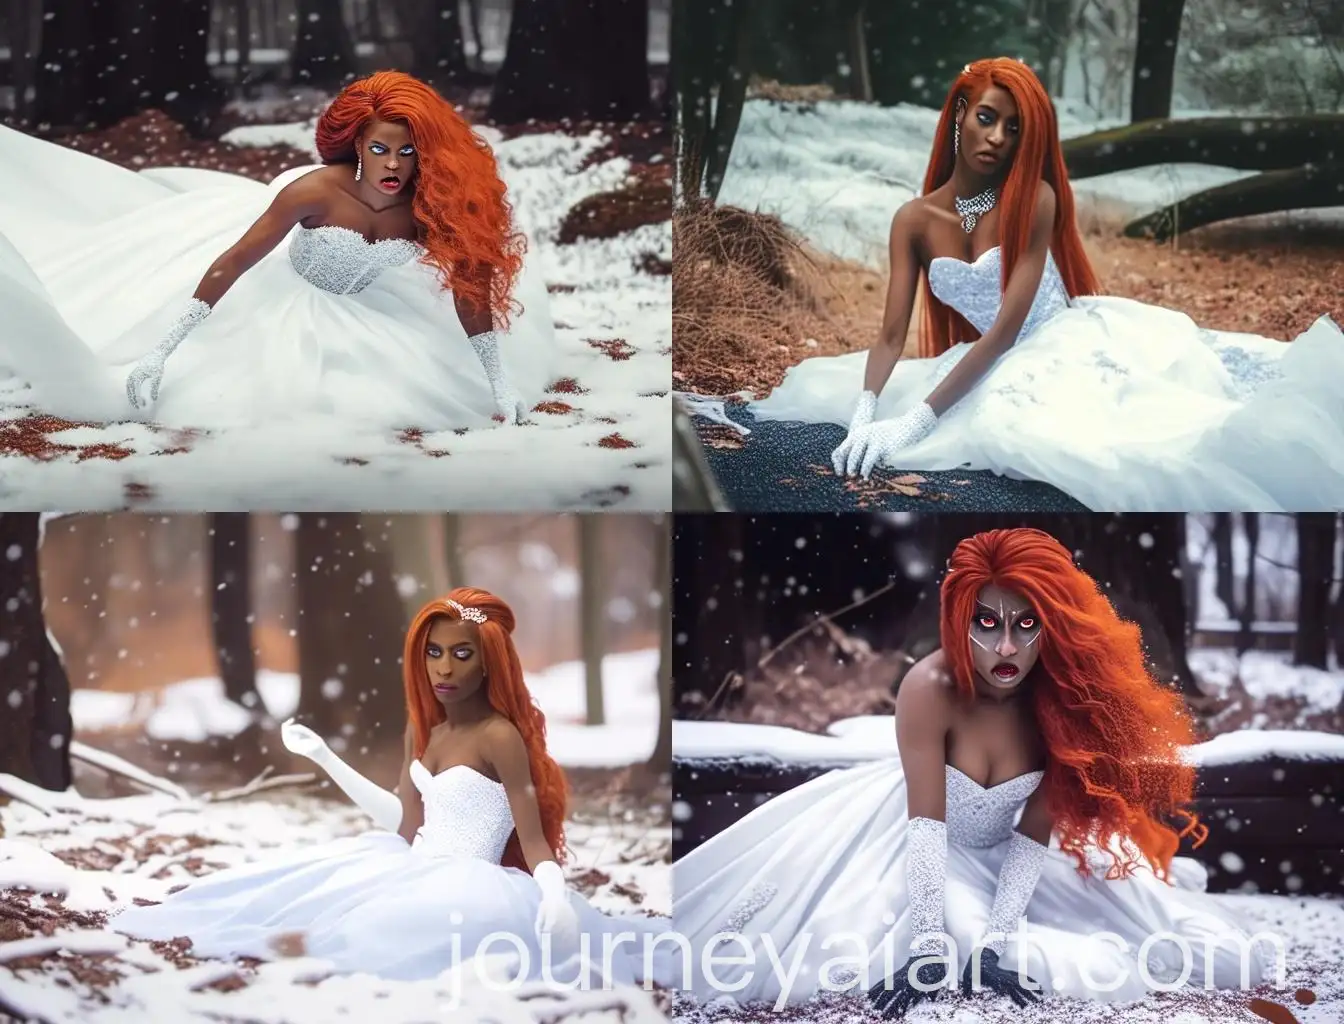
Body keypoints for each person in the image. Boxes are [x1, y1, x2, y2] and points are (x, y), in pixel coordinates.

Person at [672, 528, 1276, 1013]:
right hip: (903, 837)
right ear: (961, 621)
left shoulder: (1062, 704)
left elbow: (1035, 830)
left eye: (1025, 624)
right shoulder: (929, 687)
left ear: (1051, 627)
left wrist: (1001, 936)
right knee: (921, 944)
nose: (1007, 648)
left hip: (1007, 853)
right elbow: (927, 831)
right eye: (987, 623)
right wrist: (929, 938)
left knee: (1138, 940)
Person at [747, 58, 1343, 511]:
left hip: (1065, 345)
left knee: (1127, 442)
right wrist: (866, 411)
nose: (998, 139)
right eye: (986, 117)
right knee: (860, 405)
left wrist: (915, 421)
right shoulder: (914, 220)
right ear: (959, 114)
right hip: (982, 358)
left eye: (1013, 127)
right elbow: (889, 336)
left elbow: (1007, 329)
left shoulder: (1033, 198)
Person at [112, 588, 670, 989]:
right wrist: (326, 758)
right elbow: (405, 826)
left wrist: (552, 894)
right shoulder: (425, 730)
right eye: (433, 651)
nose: (443, 668)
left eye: (461, 652)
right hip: (409, 863)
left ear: (488, 662)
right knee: (279, 904)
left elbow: (532, 832)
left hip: (470, 882)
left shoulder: (499, 737)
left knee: (370, 944)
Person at [0, 71, 553, 430]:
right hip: (280, 299)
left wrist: (499, 382)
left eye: (406, 153)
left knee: (384, 403)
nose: (392, 165)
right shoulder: (315, 192)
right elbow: (235, 260)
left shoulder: (430, 207)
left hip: (374, 313)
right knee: (263, 403)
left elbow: (470, 295)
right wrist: (161, 349)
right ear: (358, 143)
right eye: (380, 148)